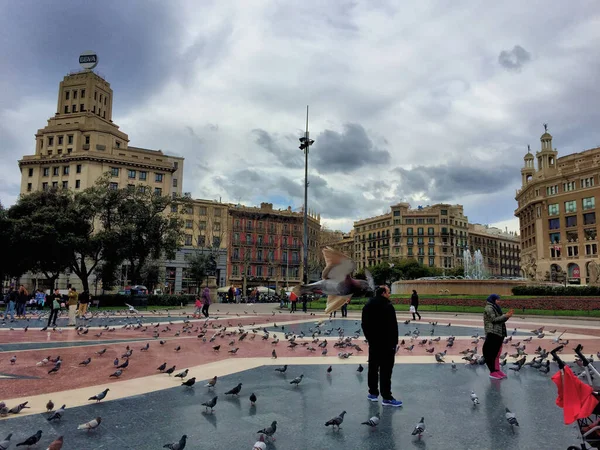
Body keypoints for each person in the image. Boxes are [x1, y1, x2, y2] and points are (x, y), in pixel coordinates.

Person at [361, 285, 402, 407]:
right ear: (383, 293)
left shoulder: (368, 305)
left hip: (374, 343)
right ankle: (386, 397)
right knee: (386, 370)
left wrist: (370, 339)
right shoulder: (388, 306)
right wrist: (394, 343)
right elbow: (393, 327)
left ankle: (373, 393)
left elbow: (364, 324)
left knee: (373, 368)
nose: (390, 294)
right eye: (388, 292)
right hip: (387, 344)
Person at [483, 294, 513, 380]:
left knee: (497, 353)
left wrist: (507, 316)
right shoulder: (489, 308)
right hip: (492, 332)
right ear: (493, 300)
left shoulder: (495, 307)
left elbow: (500, 319)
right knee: (491, 353)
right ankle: (492, 372)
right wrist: (505, 316)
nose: (499, 301)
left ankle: (497, 370)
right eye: (498, 300)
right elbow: (494, 320)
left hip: (499, 332)